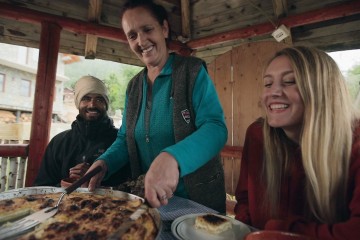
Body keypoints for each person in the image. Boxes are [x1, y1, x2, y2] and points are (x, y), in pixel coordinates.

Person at [84, 0, 228, 212]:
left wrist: (173, 157)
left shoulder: (192, 71)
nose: (141, 40)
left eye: (148, 29)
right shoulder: (133, 87)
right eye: (132, 35)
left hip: (197, 203)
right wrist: (104, 163)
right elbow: (126, 139)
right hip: (149, 203)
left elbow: (216, 128)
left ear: (164, 29)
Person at [234, 46, 360, 239]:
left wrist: (277, 231)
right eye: (268, 84)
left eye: (290, 81)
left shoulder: (355, 144)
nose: (273, 92)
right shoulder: (257, 134)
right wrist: (242, 231)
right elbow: (244, 198)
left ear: (323, 90)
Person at [34, 75, 129, 187]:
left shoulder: (120, 143)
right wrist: (68, 183)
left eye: (99, 99)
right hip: (63, 204)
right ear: (77, 103)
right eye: (86, 98)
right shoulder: (59, 142)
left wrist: (95, 175)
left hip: (108, 204)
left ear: (106, 104)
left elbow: (129, 185)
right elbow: (42, 187)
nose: (92, 105)